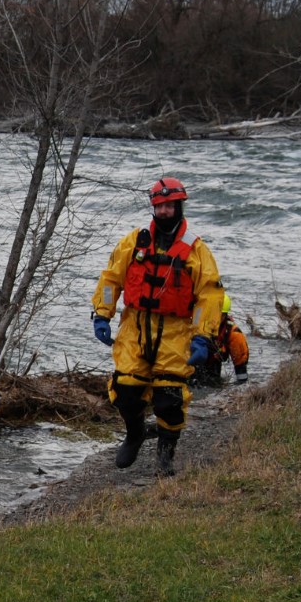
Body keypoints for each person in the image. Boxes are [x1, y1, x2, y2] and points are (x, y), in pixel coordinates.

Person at [90, 177, 224, 476]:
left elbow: (209, 295)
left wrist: (203, 335)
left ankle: (166, 452)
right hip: (135, 326)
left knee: (169, 399)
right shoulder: (133, 242)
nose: (164, 211)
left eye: (169, 206)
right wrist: (102, 313)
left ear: (179, 206)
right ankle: (135, 433)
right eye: (159, 206)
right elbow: (111, 279)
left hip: (175, 330)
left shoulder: (196, 250)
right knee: (125, 390)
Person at [193, 291, 250, 387]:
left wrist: (241, 389)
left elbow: (241, 367)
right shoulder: (192, 325)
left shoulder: (234, 335)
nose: (215, 319)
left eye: (219, 315)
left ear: (225, 315)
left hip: (212, 371)